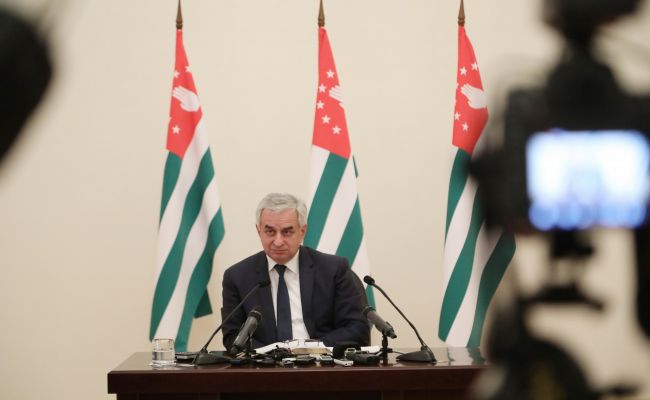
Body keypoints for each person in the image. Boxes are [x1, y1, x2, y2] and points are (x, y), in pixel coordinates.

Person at [221, 192, 369, 350]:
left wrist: (309, 349)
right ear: (259, 231)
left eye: (287, 232)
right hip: (266, 363)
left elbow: (357, 329)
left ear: (302, 231)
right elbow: (232, 336)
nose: (278, 242)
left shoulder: (333, 270)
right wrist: (273, 354)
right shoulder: (237, 277)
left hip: (321, 360)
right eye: (270, 232)